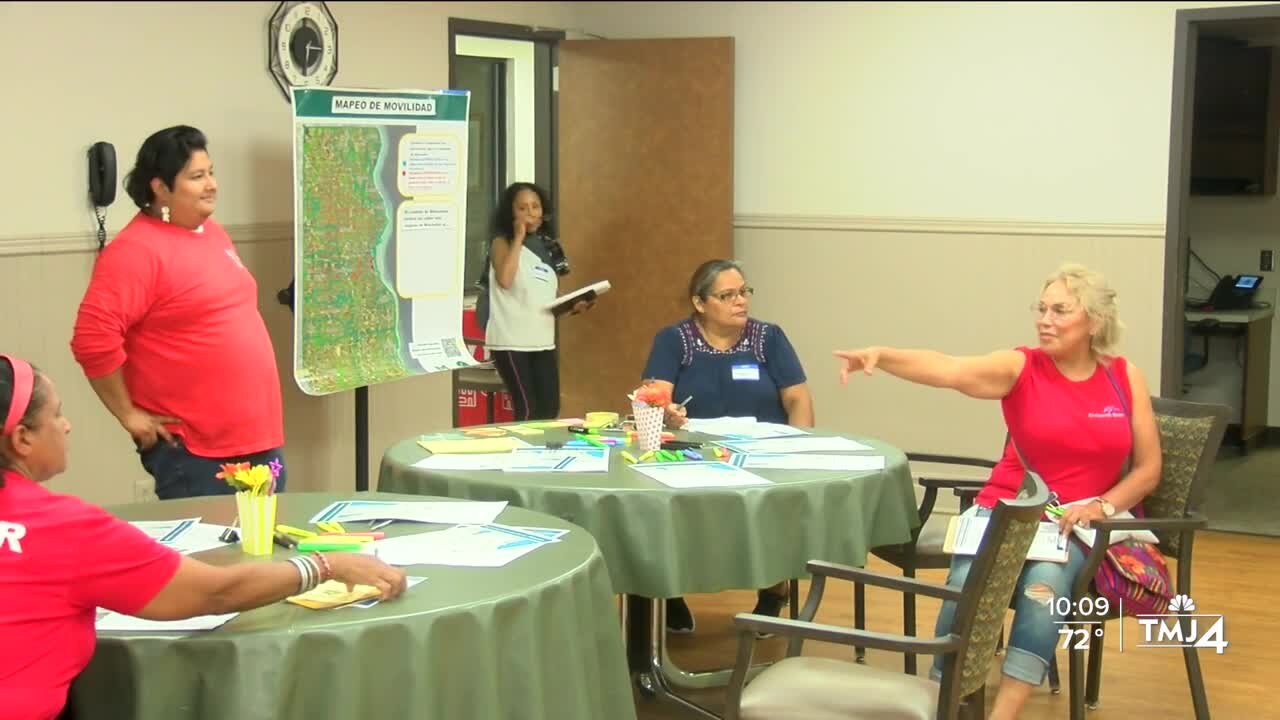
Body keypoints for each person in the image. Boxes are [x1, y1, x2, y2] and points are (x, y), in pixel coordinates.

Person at [832, 263, 1161, 720]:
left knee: (1045, 587)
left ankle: (1001, 714)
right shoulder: (1021, 366)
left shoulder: (1124, 377)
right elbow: (948, 368)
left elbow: (1148, 470)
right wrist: (882, 356)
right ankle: (944, 699)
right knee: (969, 583)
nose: (1044, 319)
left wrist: (1101, 505)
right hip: (1008, 508)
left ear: (1094, 320)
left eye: (1060, 310)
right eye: (1041, 308)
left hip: (1076, 523)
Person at [0, 355, 408, 720]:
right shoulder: (64, 528)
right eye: (57, 415)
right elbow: (213, 594)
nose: (66, 425)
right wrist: (325, 564)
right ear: (21, 439)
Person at [70, 126, 287, 500]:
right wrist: (129, 415)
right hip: (197, 451)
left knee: (264, 551)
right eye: (196, 177)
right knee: (214, 556)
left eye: (211, 172)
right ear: (160, 188)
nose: (212, 185)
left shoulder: (212, 233)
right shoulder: (136, 251)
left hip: (258, 438)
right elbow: (92, 339)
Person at [640, 259, 815, 634]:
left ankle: (773, 592)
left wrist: (799, 447)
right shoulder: (674, 340)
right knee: (665, 508)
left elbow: (798, 399)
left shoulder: (769, 338)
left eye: (744, 292)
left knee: (774, 509)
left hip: (763, 453)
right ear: (700, 303)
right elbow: (658, 396)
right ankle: (668, 594)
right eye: (727, 295)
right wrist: (666, 410)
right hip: (692, 453)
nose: (741, 301)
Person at [481, 182, 591, 421]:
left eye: (535, 207)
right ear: (511, 213)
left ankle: (545, 457)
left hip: (542, 340)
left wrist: (571, 303)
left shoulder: (549, 246)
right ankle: (524, 457)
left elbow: (546, 298)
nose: (530, 213)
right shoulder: (501, 242)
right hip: (511, 341)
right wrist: (518, 237)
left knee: (549, 409)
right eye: (522, 208)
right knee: (527, 410)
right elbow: (505, 280)